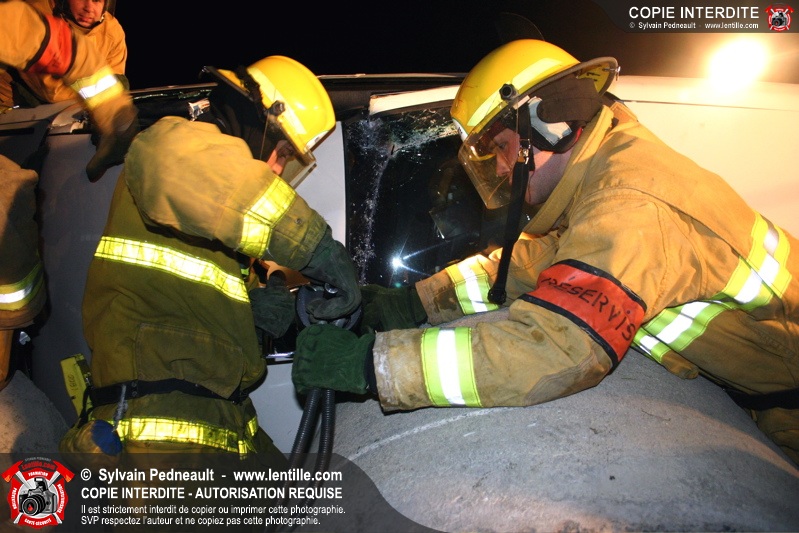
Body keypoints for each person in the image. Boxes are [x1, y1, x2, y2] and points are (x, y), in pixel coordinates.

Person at [290, 39, 799, 467]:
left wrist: (375, 366)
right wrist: (414, 303)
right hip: (770, 401)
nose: (502, 168)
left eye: (503, 148)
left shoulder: (631, 203)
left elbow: (555, 346)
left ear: (549, 125)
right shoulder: (607, 177)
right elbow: (540, 263)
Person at [59, 55, 361, 467]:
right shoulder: (171, 144)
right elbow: (219, 185)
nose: (277, 169)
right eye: (282, 153)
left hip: (225, 419)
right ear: (259, 123)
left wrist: (252, 315)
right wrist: (317, 249)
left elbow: (194, 304)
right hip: (157, 426)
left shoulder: (218, 224)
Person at [0, 0, 137, 391]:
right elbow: (49, 79)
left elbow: (54, 46)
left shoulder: (111, 34)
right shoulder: (36, 7)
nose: (89, 7)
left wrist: (112, 108)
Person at [0, 0, 127, 110]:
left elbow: (116, 83)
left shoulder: (112, 31)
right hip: (12, 109)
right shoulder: (37, 16)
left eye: (96, 0)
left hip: (68, 112)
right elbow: (53, 92)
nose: (88, 8)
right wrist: (103, 96)